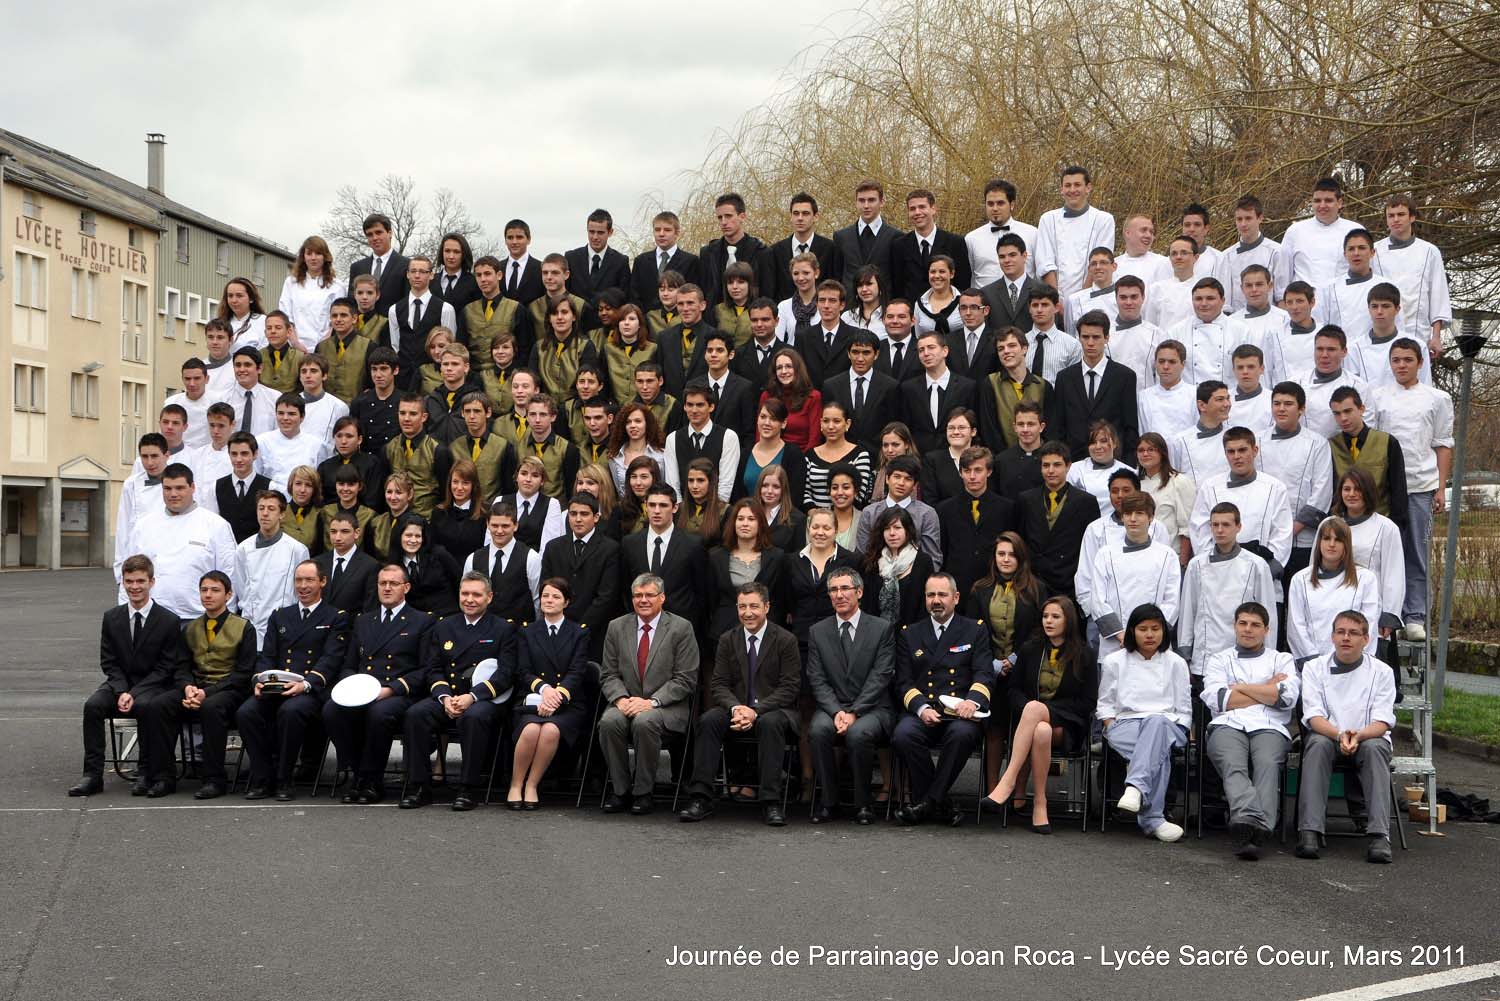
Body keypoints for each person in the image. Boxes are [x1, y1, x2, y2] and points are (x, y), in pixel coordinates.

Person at [680, 582, 801, 826]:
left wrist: (756, 711)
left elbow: (789, 688)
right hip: (735, 709)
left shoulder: (785, 640)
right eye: (742, 607)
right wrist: (736, 708)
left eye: (754, 606)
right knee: (708, 720)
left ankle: (771, 801)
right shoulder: (728, 639)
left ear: (766, 607)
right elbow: (719, 684)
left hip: (773, 710)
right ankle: (701, 797)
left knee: (770, 723)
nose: (748, 613)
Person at [68, 555, 189, 798]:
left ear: (152, 582)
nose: (135, 587)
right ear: (123, 582)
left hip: (153, 685)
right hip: (119, 684)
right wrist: (122, 690)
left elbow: (165, 668)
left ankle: (145, 772)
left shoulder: (168, 620)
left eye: (140, 581)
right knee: (92, 706)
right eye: (129, 581)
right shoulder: (111, 618)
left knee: (145, 706)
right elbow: (109, 662)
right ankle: (92, 775)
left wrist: (134, 693)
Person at [399, 571, 516, 811]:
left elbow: (506, 674)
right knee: (415, 714)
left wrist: (472, 697)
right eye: (465, 594)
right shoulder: (444, 626)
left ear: (489, 597)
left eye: (476, 595)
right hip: (448, 696)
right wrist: (444, 697)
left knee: (473, 718)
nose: (469, 599)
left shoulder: (504, 629)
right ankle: (419, 786)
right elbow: (433, 668)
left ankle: (467, 788)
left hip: (483, 699)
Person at [235, 559, 348, 800]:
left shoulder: (335, 617)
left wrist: (305, 684)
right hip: (276, 686)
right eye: (298, 580)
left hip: (310, 689)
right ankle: (262, 776)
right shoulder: (280, 615)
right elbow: (267, 655)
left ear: (322, 582)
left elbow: (331, 659)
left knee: (291, 712)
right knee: (246, 713)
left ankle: (284, 779)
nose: (303, 586)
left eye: (309, 580)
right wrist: (259, 680)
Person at [980, 594, 1094, 832]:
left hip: (1067, 725)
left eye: (1055, 616)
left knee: (1037, 712)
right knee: (1041, 730)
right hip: (1032, 724)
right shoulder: (1030, 649)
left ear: (1069, 620)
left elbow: (1087, 702)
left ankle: (1007, 781)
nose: (1048, 621)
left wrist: (1044, 710)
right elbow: (1013, 690)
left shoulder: (1084, 654)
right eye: (1045, 616)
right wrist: (1031, 712)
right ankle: (1040, 803)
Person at [323, 563, 434, 804]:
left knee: (379, 714)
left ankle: (372, 781)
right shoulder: (364, 620)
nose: (387, 588)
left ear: (406, 587)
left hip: (398, 692)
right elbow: (350, 664)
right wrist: (349, 686)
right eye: (383, 583)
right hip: (363, 690)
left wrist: (392, 689)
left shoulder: (422, 621)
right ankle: (356, 773)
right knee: (332, 710)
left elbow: (426, 668)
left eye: (393, 583)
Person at [140, 571, 256, 799]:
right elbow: (181, 667)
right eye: (204, 590)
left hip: (229, 690)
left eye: (215, 590)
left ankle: (214, 779)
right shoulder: (190, 628)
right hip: (195, 688)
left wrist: (207, 692)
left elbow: (243, 674)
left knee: (211, 707)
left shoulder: (244, 627)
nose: (208, 595)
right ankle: (163, 777)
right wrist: (188, 688)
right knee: (158, 705)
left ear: (228, 595)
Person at [1295, 610, 1398, 864]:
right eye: (1340, 632)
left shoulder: (1383, 672)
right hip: (1329, 735)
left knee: (1375, 748)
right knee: (1316, 744)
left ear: (1366, 639)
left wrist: (1358, 735)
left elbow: (1383, 720)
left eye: (1353, 633)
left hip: (1368, 736)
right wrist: (1340, 735)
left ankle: (1379, 836)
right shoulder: (1314, 668)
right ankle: (1309, 831)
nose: (1346, 638)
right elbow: (1313, 717)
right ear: (1332, 637)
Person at [1368, 337, 1454, 640]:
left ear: (1419, 363)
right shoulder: (1377, 397)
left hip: (1421, 486)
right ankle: (1383, 613)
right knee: (1382, 553)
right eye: (1396, 360)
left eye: (1407, 360)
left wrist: (1440, 488)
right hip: (1386, 489)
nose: (1401, 365)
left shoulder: (1437, 398)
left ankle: (1415, 615)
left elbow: (1443, 444)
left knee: (1416, 552)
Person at [1201, 601, 1300, 859]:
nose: (1248, 629)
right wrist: (1267, 688)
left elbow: (1286, 698)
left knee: (1267, 763)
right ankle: (1256, 824)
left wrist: (1240, 688)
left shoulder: (1282, 659)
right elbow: (1219, 700)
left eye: (1255, 625)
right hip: (1227, 724)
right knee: (1233, 763)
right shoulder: (1218, 659)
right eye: (1243, 623)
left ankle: (1250, 827)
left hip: (1271, 726)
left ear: (1266, 630)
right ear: (1234, 626)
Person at [891, 573, 991, 826]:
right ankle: (941, 803)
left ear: (956, 598)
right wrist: (921, 708)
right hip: (925, 709)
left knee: (962, 735)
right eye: (931, 595)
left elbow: (984, 672)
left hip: (960, 712)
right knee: (903, 734)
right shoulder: (910, 633)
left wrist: (972, 701)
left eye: (942, 595)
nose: (936, 600)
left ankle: (926, 803)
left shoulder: (974, 629)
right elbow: (903, 681)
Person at [597, 573, 699, 814]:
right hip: (626, 702)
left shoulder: (681, 628)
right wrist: (620, 699)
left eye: (649, 595)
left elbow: (685, 678)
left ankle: (643, 792)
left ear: (662, 598)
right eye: (638, 595)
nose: (643, 600)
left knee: (645, 722)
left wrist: (651, 702)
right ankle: (621, 791)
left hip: (666, 706)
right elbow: (608, 673)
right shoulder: (616, 627)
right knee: (609, 722)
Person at [804, 567, 897, 823]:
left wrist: (855, 712)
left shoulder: (881, 628)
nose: (839, 595)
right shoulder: (817, 631)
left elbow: (881, 676)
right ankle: (829, 802)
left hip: (873, 708)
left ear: (859, 592)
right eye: (833, 590)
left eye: (845, 588)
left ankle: (863, 804)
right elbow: (817, 678)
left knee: (858, 734)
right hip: (833, 707)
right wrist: (837, 711)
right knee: (818, 731)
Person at [1098, 603, 1192, 842]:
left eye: (1155, 629)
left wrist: (1179, 729)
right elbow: (1105, 704)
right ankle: (1153, 820)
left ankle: (1135, 788)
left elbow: (1183, 709)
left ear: (1164, 631)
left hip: (1168, 724)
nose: (1150, 635)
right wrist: (1110, 726)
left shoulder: (1176, 662)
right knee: (1156, 751)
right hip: (1125, 725)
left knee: (1156, 723)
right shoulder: (1114, 661)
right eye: (1143, 629)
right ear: (1132, 631)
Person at [967, 532, 1050, 790]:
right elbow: (972, 630)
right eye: (1001, 554)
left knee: (1021, 731)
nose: (1005, 559)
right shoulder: (980, 589)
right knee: (994, 729)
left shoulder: (1036, 589)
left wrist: (1014, 658)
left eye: (1012, 555)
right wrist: (992, 662)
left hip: (1024, 668)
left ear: (1021, 558)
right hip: (989, 669)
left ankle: (1019, 791)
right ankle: (992, 789)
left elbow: (1040, 630)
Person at [506, 577, 593, 808]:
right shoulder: (527, 631)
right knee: (531, 729)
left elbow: (577, 671)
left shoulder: (579, 633)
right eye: (545, 595)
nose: (549, 600)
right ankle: (516, 784)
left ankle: (532, 784)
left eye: (556, 596)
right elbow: (523, 671)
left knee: (550, 730)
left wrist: (557, 696)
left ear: (566, 602)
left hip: (568, 702)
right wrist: (545, 690)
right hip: (534, 697)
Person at [1178, 502, 1281, 677]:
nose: (1220, 530)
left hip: (1246, 659)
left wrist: (1269, 656)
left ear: (1238, 527)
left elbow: (1267, 612)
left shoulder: (1256, 564)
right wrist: (1185, 651)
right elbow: (1188, 610)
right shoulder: (1196, 565)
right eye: (1215, 525)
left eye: (1226, 524)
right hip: (1205, 657)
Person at [1257, 381, 1334, 598]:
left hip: (1303, 540)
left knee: (1301, 598)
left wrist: (1290, 531)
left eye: (1288, 404)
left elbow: (1321, 493)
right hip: (1265, 538)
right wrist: (1273, 532)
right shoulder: (1257, 441)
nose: (1281, 409)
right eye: (1277, 403)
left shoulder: (1317, 443)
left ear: (1302, 409)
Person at [133, 464, 239, 619]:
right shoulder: (144, 526)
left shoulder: (216, 525)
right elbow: (130, 572)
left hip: (199, 618)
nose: (173, 494)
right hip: (153, 618)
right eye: (167, 488)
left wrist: (225, 620)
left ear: (193, 487)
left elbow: (230, 575)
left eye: (180, 488)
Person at [1084, 493, 1181, 660]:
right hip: (1115, 646)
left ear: (1151, 517)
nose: (1133, 519)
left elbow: (1172, 601)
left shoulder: (1167, 555)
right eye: (1128, 514)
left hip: (1154, 646)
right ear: (1122, 517)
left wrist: (1148, 634)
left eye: (1139, 513)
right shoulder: (1105, 554)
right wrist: (1122, 635)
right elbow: (1098, 600)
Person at [1188, 427, 1293, 576]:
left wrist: (1265, 569)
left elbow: (1282, 534)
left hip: (1261, 573)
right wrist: (1216, 566)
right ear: (1225, 454)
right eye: (1231, 452)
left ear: (1255, 451)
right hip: (1219, 574)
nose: (1237, 456)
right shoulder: (1210, 487)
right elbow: (1200, 531)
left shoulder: (1275, 488)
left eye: (1242, 450)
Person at [1287, 517, 1381, 665]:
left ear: (1346, 545)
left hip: (1353, 664)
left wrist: (1353, 661)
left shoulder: (1366, 579)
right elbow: (1296, 626)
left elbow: (1370, 624)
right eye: (1326, 538)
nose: (1331, 544)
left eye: (1338, 540)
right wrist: (1314, 663)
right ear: (1319, 542)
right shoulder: (1300, 580)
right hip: (1312, 665)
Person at [539, 493, 621, 660]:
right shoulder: (553, 547)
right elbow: (546, 588)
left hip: (594, 632)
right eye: (573, 514)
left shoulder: (610, 549)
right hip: (557, 629)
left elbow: (606, 596)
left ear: (596, 517)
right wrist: (561, 624)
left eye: (584, 514)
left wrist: (580, 628)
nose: (578, 519)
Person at [1333, 467, 1408, 647]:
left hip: (1371, 608)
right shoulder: (1330, 526)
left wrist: (1389, 614)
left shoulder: (1386, 527)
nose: (1351, 494)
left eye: (1357, 489)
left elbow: (1394, 573)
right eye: (1347, 489)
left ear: (1368, 492)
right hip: (1333, 605)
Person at [1017, 442, 1100, 602]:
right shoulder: (1026, 500)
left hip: (1068, 583)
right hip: (1033, 584)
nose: (1051, 470)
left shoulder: (1086, 502)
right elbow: (1021, 539)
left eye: (1057, 465)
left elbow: (1091, 547)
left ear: (1068, 466)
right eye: (1046, 465)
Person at [621, 483, 711, 630]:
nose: (657, 511)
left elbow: (702, 592)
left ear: (675, 508)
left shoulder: (693, 545)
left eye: (663, 505)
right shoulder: (630, 543)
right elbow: (625, 588)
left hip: (681, 627)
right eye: (652, 505)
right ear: (646, 506)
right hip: (641, 626)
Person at [1053, 311, 1138, 461]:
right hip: (1074, 462)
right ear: (1079, 338)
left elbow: (1130, 427)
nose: (1090, 343)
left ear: (1107, 338)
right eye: (1085, 337)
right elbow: (1059, 426)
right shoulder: (1064, 378)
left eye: (1096, 337)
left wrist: (1128, 465)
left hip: (1113, 461)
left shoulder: (1124, 377)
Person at [1375, 194, 1452, 352]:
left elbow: (1438, 295)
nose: (1396, 219)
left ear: (1412, 217)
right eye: (1391, 216)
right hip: (1381, 336)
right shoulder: (1373, 251)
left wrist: (1436, 337)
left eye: (1401, 214)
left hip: (1418, 336)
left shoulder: (1429, 251)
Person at [937, 446, 1014, 598]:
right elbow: (943, 550)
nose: (972, 476)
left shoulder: (1006, 508)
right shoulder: (944, 509)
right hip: (957, 585)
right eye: (967, 471)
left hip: (994, 584)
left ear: (989, 472)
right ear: (960, 473)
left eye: (978, 470)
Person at [234, 489, 308, 648]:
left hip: (286, 628)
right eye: (261, 508)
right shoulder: (243, 549)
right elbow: (240, 589)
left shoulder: (297, 550)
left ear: (282, 514)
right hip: (252, 628)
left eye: (271, 509)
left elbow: (301, 592)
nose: (265, 513)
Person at [1329, 385, 1409, 524]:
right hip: (1342, 526)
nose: (1343, 418)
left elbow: (1398, 490)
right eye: (1337, 413)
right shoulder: (1330, 446)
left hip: (1381, 523)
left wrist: (1396, 526)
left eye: (1348, 411)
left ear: (1361, 409)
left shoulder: (1387, 442)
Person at [1034, 165, 1116, 296]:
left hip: (1091, 296)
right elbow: (1045, 263)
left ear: (1088, 188)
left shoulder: (1104, 220)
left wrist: (1082, 299)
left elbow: (1099, 263)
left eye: (1077, 185)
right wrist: (1055, 299)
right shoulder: (1048, 219)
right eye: (1067, 185)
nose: (1072, 190)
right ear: (1061, 189)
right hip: (1053, 298)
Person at [708, 500, 786, 634]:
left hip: (766, 632)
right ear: (733, 523)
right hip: (725, 631)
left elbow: (779, 599)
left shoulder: (776, 557)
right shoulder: (716, 556)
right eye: (740, 519)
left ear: (760, 524)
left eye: (751, 519)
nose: (745, 523)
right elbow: (709, 598)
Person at [462, 501, 543, 627]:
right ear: (487, 525)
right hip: (482, 631)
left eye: (505, 526)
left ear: (515, 526)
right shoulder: (473, 558)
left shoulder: (531, 558)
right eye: (495, 525)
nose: (499, 531)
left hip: (519, 631)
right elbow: (466, 595)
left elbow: (537, 599)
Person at [385, 256, 459, 393]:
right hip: (403, 378)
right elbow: (396, 346)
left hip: (434, 379)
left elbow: (450, 347)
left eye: (422, 271)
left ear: (431, 275)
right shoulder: (394, 309)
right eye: (413, 271)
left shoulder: (445, 309)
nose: (417, 275)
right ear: (407, 274)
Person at [854, 454, 941, 567]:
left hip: (916, 575)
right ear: (887, 479)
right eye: (897, 476)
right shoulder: (870, 512)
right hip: (874, 573)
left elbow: (932, 558)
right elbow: (862, 554)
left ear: (915, 485)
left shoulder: (926, 514)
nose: (901, 483)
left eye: (908, 479)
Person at [900, 329, 976, 454]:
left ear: (945, 351)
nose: (926, 353)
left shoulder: (967, 386)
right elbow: (906, 428)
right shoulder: (909, 388)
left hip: (957, 456)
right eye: (921, 350)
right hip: (919, 457)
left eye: (931, 347)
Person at [663, 381, 740, 504]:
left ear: (711, 407)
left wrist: (715, 512)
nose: (694, 410)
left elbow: (725, 486)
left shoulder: (728, 437)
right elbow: (673, 485)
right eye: (690, 405)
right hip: (683, 510)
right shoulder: (672, 439)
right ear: (684, 407)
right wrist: (681, 512)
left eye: (700, 405)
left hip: (717, 509)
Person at [891, 188, 971, 301]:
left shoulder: (955, 243)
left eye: (922, 207)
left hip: (947, 308)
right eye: (912, 209)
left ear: (933, 209)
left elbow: (963, 282)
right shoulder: (899, 245)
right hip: (912, 309)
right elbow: (898, 286)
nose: (917, 212)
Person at [1281, 176, 1360, 288]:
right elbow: (1283, 276)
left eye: (1328, 200)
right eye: (1317, 201)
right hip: (1303, 297)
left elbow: (1365, 273)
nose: (1322, 205)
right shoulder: (1295, 231)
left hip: (1344, 296)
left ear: (1340, 203)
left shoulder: (1355, 231)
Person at [765, 192, 844, 302]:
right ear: (791, 216)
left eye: (805, 213)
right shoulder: (775, 251)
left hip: (820, 310)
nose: (800, 218)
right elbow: (771, 290)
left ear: (815, 217)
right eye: (796, 213)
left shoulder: (831, 249)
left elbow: (835, 287)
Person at [860, 506, 933, 626]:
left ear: (907, 530)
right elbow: (867, 604)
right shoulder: (872, 561)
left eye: (897, 528)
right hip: (877, 631)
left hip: (913, 630)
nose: (892, 533)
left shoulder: (923, 561)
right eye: (887, 528)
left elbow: (925, 604)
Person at [114, 434, 169, 586]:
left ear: (166, 455)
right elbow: (123, 527)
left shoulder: (178, 482)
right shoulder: (131, 484)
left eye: (154, 456)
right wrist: (119, 571)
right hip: (139, 556)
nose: (149, 462)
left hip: (169, 555)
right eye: (145, 457)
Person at [1213, 195, 1285, 312]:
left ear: (1260, 218)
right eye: (1239, 219)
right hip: (1237, 319)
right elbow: (1225, 302)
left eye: (1248, 218)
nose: (1243, 224)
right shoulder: (1226, 256)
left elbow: (1282, 296)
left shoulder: (1277, 252)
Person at [1297, 326, 1370, 440]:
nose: (1324, 355)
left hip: (1345, 449)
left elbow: (1366, 430)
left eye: (1331, 349)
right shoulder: (1297, 383)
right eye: (1320, 349)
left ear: (1344, 352)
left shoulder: (1358, 386)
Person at [832, 178, 904, 292]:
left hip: (883, 301)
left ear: (882, 202)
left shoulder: (896, 237)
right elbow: (837, 277)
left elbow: (898, 279)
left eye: (871, 200)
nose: (866, 205)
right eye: (861, 200)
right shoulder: (841, 237)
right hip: (850, 302)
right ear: (856, 202)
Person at [698, 193, 769, 307]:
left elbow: (767, 292)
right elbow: (704, 291)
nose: (723, 222)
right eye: (720, 217)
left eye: (728, 216)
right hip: (715, 315)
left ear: (742, 217)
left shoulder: (761, 252)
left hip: (752, 315)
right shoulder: (707, 253)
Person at [967, 179, 1039, 288]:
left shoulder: (1032, 234)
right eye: (990, 204)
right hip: (984, 297)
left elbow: (1040, 272)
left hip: (1025, 297)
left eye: (1000, 203)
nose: (995, 208)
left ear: (1012, 205)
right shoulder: (972, 239)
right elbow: (968, 276)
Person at [1136, 432, 1195, 565]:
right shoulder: (1134, 483)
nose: (1145, 454)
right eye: (1141, 450)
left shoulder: (1179, 481)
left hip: (1171, 558)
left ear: (1162, 452)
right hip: (1140, 558)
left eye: (1151, 449)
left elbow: (1187, 528)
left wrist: (1182, 563)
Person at [1317, 231, 1385, 345]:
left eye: (1362, 248)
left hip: (1376, 351)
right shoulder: (1329, 288)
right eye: (1351, 249)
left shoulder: (1386, 286)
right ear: (1345, 254)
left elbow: (1397, 326)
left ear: (1372, 252)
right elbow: (1320, 325)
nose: (1356, 253)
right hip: (1340, 352)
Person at [278, 235, 345, 349]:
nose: (313, 258)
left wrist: (323, 346)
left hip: (327, 347)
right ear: (303, 257)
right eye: (309, 254)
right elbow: (285, 315)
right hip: (295, 347)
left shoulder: (337, 286)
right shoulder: (291, 283)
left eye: (318, 253)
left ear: (325, 257)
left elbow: (337, 321)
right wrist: (295, 343)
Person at [734, 398, 806, 503]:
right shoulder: (744, 454)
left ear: (784, 423)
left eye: (773, 419)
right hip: (749, 512)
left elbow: (795, 497)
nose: (767, 423)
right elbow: (737, 496)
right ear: (757, 419)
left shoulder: (794, 455)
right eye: (763, 417)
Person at [385, 393, 444, 518]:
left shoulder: (438, 450)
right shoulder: (389, 448)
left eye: (413, 414)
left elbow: (445, 494)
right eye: (402, 413)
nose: (406, 419)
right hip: (396, 518)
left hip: (427, 519)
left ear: (424, 417)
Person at [803, 401, 871, 509]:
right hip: (815, 518)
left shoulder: (860, 454)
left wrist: (835, 515)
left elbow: (859, 493)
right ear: (821, 423)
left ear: (847, 424)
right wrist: (815, 513)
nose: (830, 426)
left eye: (836, 421)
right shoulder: (810, 455)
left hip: (848, 516)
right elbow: (804, 491)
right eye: (826, 421)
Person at [793, 280, 860, 389]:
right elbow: (798, 374)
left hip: (844, 397)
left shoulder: (855, 335)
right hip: (812, 396)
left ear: (842, 305)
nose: (826, 306)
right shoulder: (803, 337)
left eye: (832, 301)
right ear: (816, 304)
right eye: (822, 300)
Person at [391, 517, 461, 619]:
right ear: (399, 536)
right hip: (415, 620)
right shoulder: (394, 563)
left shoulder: (439, 554)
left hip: (447, 616)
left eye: (418, 536)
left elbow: (459, 580)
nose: (413, 540)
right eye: (408, 535)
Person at [632, 211, 702, 311]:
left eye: (667, 230)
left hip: (679, 317)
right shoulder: (641, 261)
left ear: (677, 233)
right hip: (647, 317)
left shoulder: (690, 261)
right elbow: (634, 295)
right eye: (657, 230)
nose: (661, 234)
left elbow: (693, 294)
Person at [256, 394, 330, 486]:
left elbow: (320, 481)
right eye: (281, 413)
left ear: (302, 417)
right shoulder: (261, 442)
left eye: (291, 414)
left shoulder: (316, 445)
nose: (285, 418)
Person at [1169, 380, 1232, 486]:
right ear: (1202, 405)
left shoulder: (1235, 436)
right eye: (1220, 399)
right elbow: (1173, 481)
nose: (1227, 404)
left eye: (1228, 398)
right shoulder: (1179, 442)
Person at [315, 510, 379, 614]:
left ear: (357, 533)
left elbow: (370, 607)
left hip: (352, 622)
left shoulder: (370, 566)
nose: (338, 538)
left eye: (344, 532)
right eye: (333, 532)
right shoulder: (318, 563)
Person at [762, 348, 824, 452]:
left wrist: (802, 459)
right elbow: (760, 434)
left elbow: (815, 438)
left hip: (803, 456)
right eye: (779, 368)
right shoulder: (767, 396)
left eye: (789, 366)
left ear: (798, 369)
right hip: (771, 455)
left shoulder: (813, 397)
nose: (784, 371)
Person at [1066, 419, 1134, 516]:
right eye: (1093, 442)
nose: (1098, 446)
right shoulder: (1074, 470)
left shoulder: (1129, 472)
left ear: (1114, 443)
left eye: (1103, 441)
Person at [347, 213, 409, 316]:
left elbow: (407, 301)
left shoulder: (406, 265)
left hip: (393, 323)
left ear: (390, 233)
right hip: (363, 324)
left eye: (378, 232)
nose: (374, 238)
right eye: (370, 234)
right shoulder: (357, 267)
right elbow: (351, 301)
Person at [566, 208, 633, 304]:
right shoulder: (571, 258)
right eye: (591, 232)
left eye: (600, 233)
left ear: (610, 232)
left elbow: (625, 298)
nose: (595, 237)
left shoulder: (620, 262)